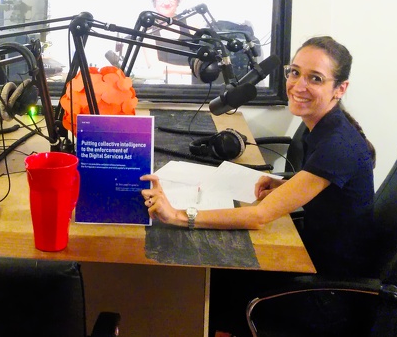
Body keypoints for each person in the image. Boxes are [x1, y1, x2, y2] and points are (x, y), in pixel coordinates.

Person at [141, 36, 376, 336]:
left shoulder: (337, 144)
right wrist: (285, 185)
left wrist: (176, 215)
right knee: (206, 277)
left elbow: (259, 216)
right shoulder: (323, 125)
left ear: (340, 89)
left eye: (315, 78)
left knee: (198, 289)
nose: (298, 85)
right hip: (314, 264)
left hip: (325, 295)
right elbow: (327, 189)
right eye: (295, 72)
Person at [141, 0, 195, 83]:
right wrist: (192, 70)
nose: (166, 2)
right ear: (154, 2)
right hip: (162, 84)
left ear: (178, 1)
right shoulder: (148, 29)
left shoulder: (191, 24)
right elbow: (155, 66)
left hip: (193, 84)